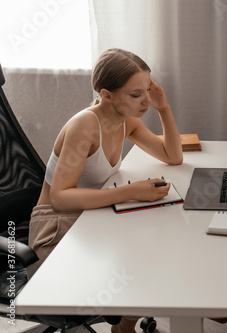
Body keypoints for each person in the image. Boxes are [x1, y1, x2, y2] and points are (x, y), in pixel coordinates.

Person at [28, 48, 183, 333]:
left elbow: (172, 156)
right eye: (136, 95)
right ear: (107, 94)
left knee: (153, 242)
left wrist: (164, 108)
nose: (145, 101)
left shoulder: (126, 121)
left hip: (89, 217)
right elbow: (60, 198)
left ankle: (124, 325)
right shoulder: (84, 127)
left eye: (147, 90)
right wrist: (130, 192)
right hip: (54, 227)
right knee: (143, 259)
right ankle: (128, 323)